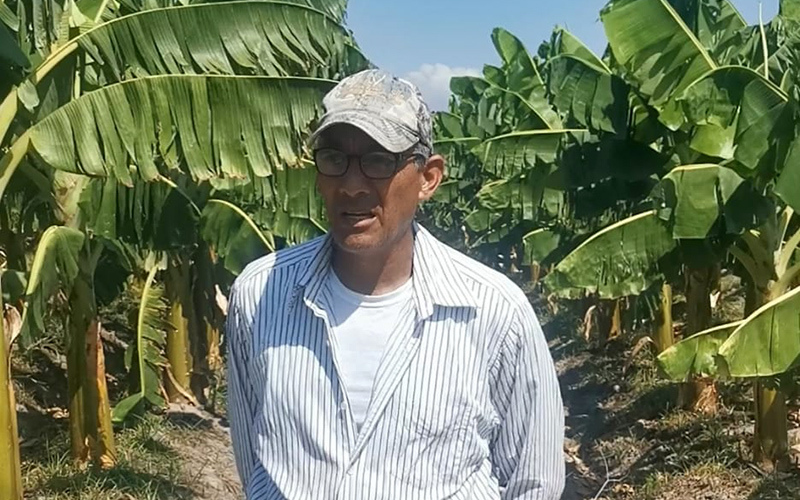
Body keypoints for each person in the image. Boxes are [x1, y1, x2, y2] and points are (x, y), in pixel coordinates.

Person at [226, 69, 565, 499]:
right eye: (334, 159)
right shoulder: (261, 295)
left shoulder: (494, 311)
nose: (351, 185)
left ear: (428, 178)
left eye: (378, 160)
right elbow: (254, 462)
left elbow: (534, 483)